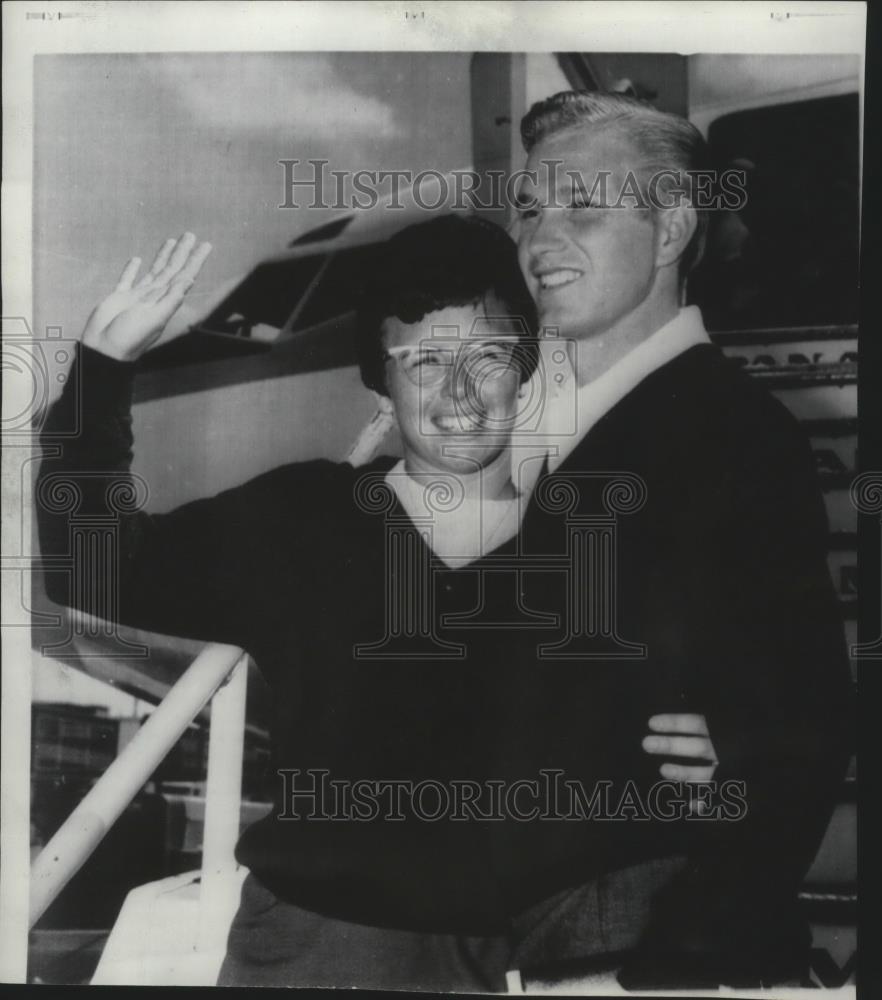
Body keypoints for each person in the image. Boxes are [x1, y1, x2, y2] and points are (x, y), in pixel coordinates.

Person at [37, 216, 716, 991]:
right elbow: (90, 567)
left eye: (487, 356)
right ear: (379, 378)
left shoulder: (603, 535)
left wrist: (739, 740)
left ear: (524, 367)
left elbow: (749, 680)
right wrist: (103, 368)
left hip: (555, 949)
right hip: (329, 942)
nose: (458, 393)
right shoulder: (300, 522)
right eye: (423, 360)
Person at [501, 90, 853, 988]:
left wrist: (663, 971)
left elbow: (804, 724)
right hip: (517, 925)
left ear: (670, 231)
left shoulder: (735, 433)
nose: (543, 242)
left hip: (636, 942)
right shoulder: (529, 423)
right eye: (531, 211)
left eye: (583, 208)